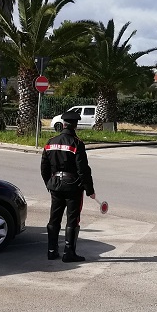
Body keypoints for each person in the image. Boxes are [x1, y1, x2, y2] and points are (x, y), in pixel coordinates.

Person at [40, 111, 96, 262]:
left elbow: (44, 167)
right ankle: (69, 253)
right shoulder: (77, 143)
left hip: (55, 185)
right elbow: (83, 170)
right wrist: (90, 190)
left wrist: (49, 183)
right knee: (73, 220)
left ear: (63, 124)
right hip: (72, 187)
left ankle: (51, 251)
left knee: (54, 218)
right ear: (75, 125)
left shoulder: (50, 142)